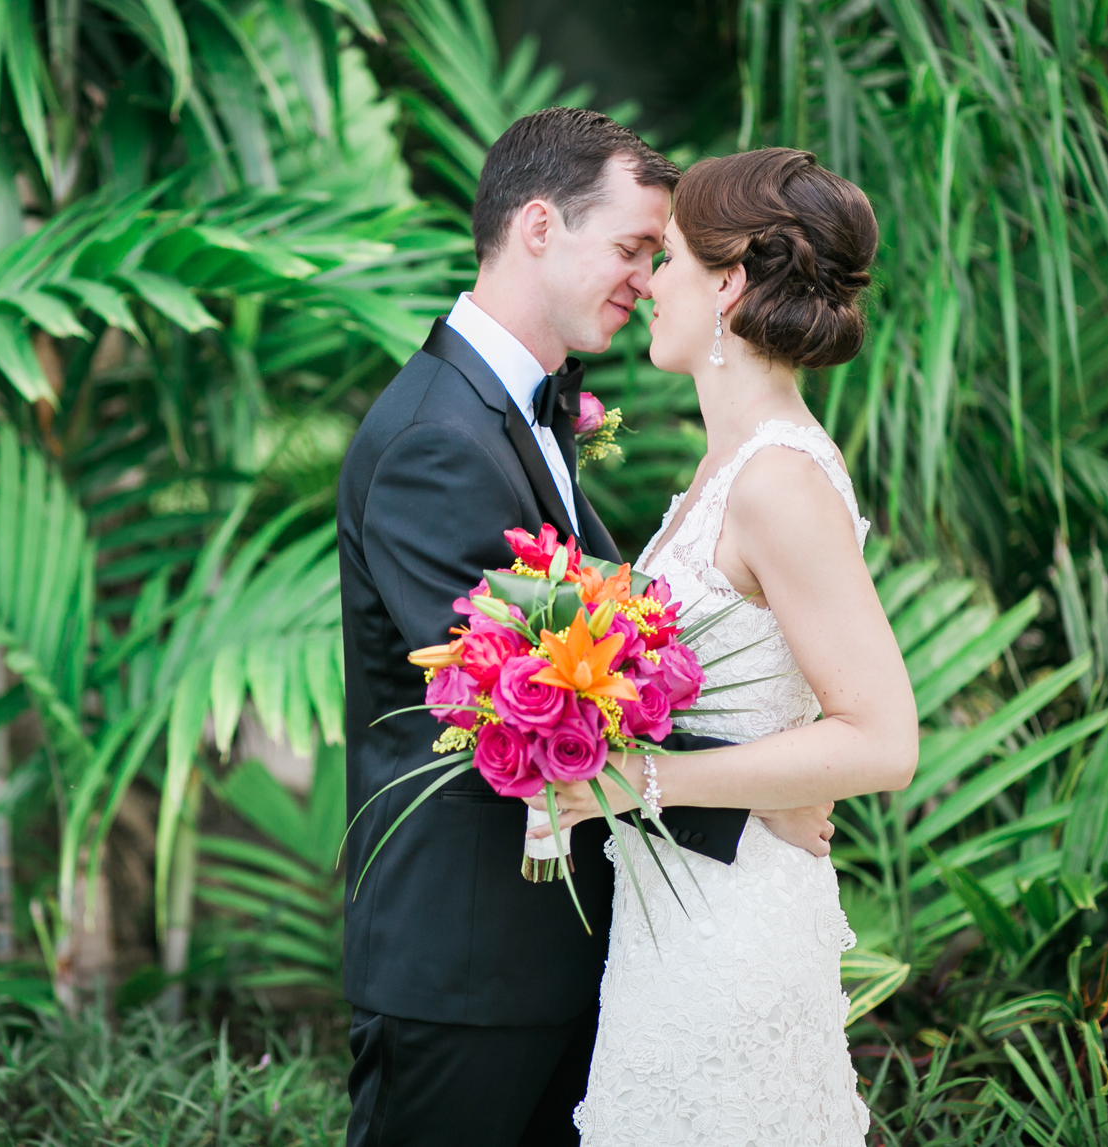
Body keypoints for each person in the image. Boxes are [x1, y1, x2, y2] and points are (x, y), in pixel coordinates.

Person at [336, 108, 839, 1147]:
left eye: (659, 255)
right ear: (535, 226)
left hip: (567, 953)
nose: (648, 277)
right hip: (467, 969)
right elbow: (515, 697)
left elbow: (613, 648)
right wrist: (754, 801)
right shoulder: (435, 439)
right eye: (630, 247)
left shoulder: (530, 408)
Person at [525, 147, 917, 1145]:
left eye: (669, 260)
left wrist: (636, 779)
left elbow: (882, 737)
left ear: (729, 283)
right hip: (674, 930)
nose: (649, 284)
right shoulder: (727, 463)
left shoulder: (775, 480)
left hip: (732, 937)